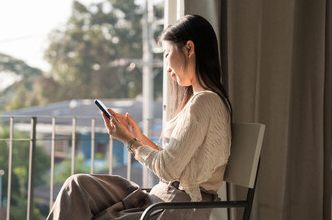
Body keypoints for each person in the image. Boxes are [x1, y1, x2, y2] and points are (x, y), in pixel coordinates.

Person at [46, 14, 232, 220]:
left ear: (189, 48)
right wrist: (137, 135)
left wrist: (130, 141)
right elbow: (174, 163)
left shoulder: (205, 102)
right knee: (78, 185)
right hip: (159, 198)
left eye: (167, 54)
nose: (168, 68)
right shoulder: (201, 101)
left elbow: (168, 170)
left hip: (172, 208)